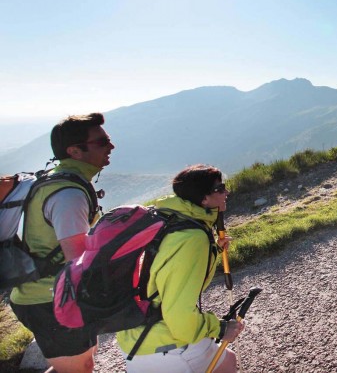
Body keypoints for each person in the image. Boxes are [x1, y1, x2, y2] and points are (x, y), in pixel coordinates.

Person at [9, 113, 114, 373]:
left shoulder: (57, 179)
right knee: (78, 368)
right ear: (75, 151)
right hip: (49, 299)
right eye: (102, 142)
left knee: (83, 361)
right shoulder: (68, 194)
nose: (111, 147)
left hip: (44, 294)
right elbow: (77, 258)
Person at [115, 164, 245, 373]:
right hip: (168, 348)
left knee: (227, 359)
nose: (226, 192)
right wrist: (220, 328)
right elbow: (179, 317)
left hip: (136, 340)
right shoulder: (192, 239)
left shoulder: (170, 221)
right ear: (204, 199)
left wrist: (212, 252)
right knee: (226, 363)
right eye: (220, 188)